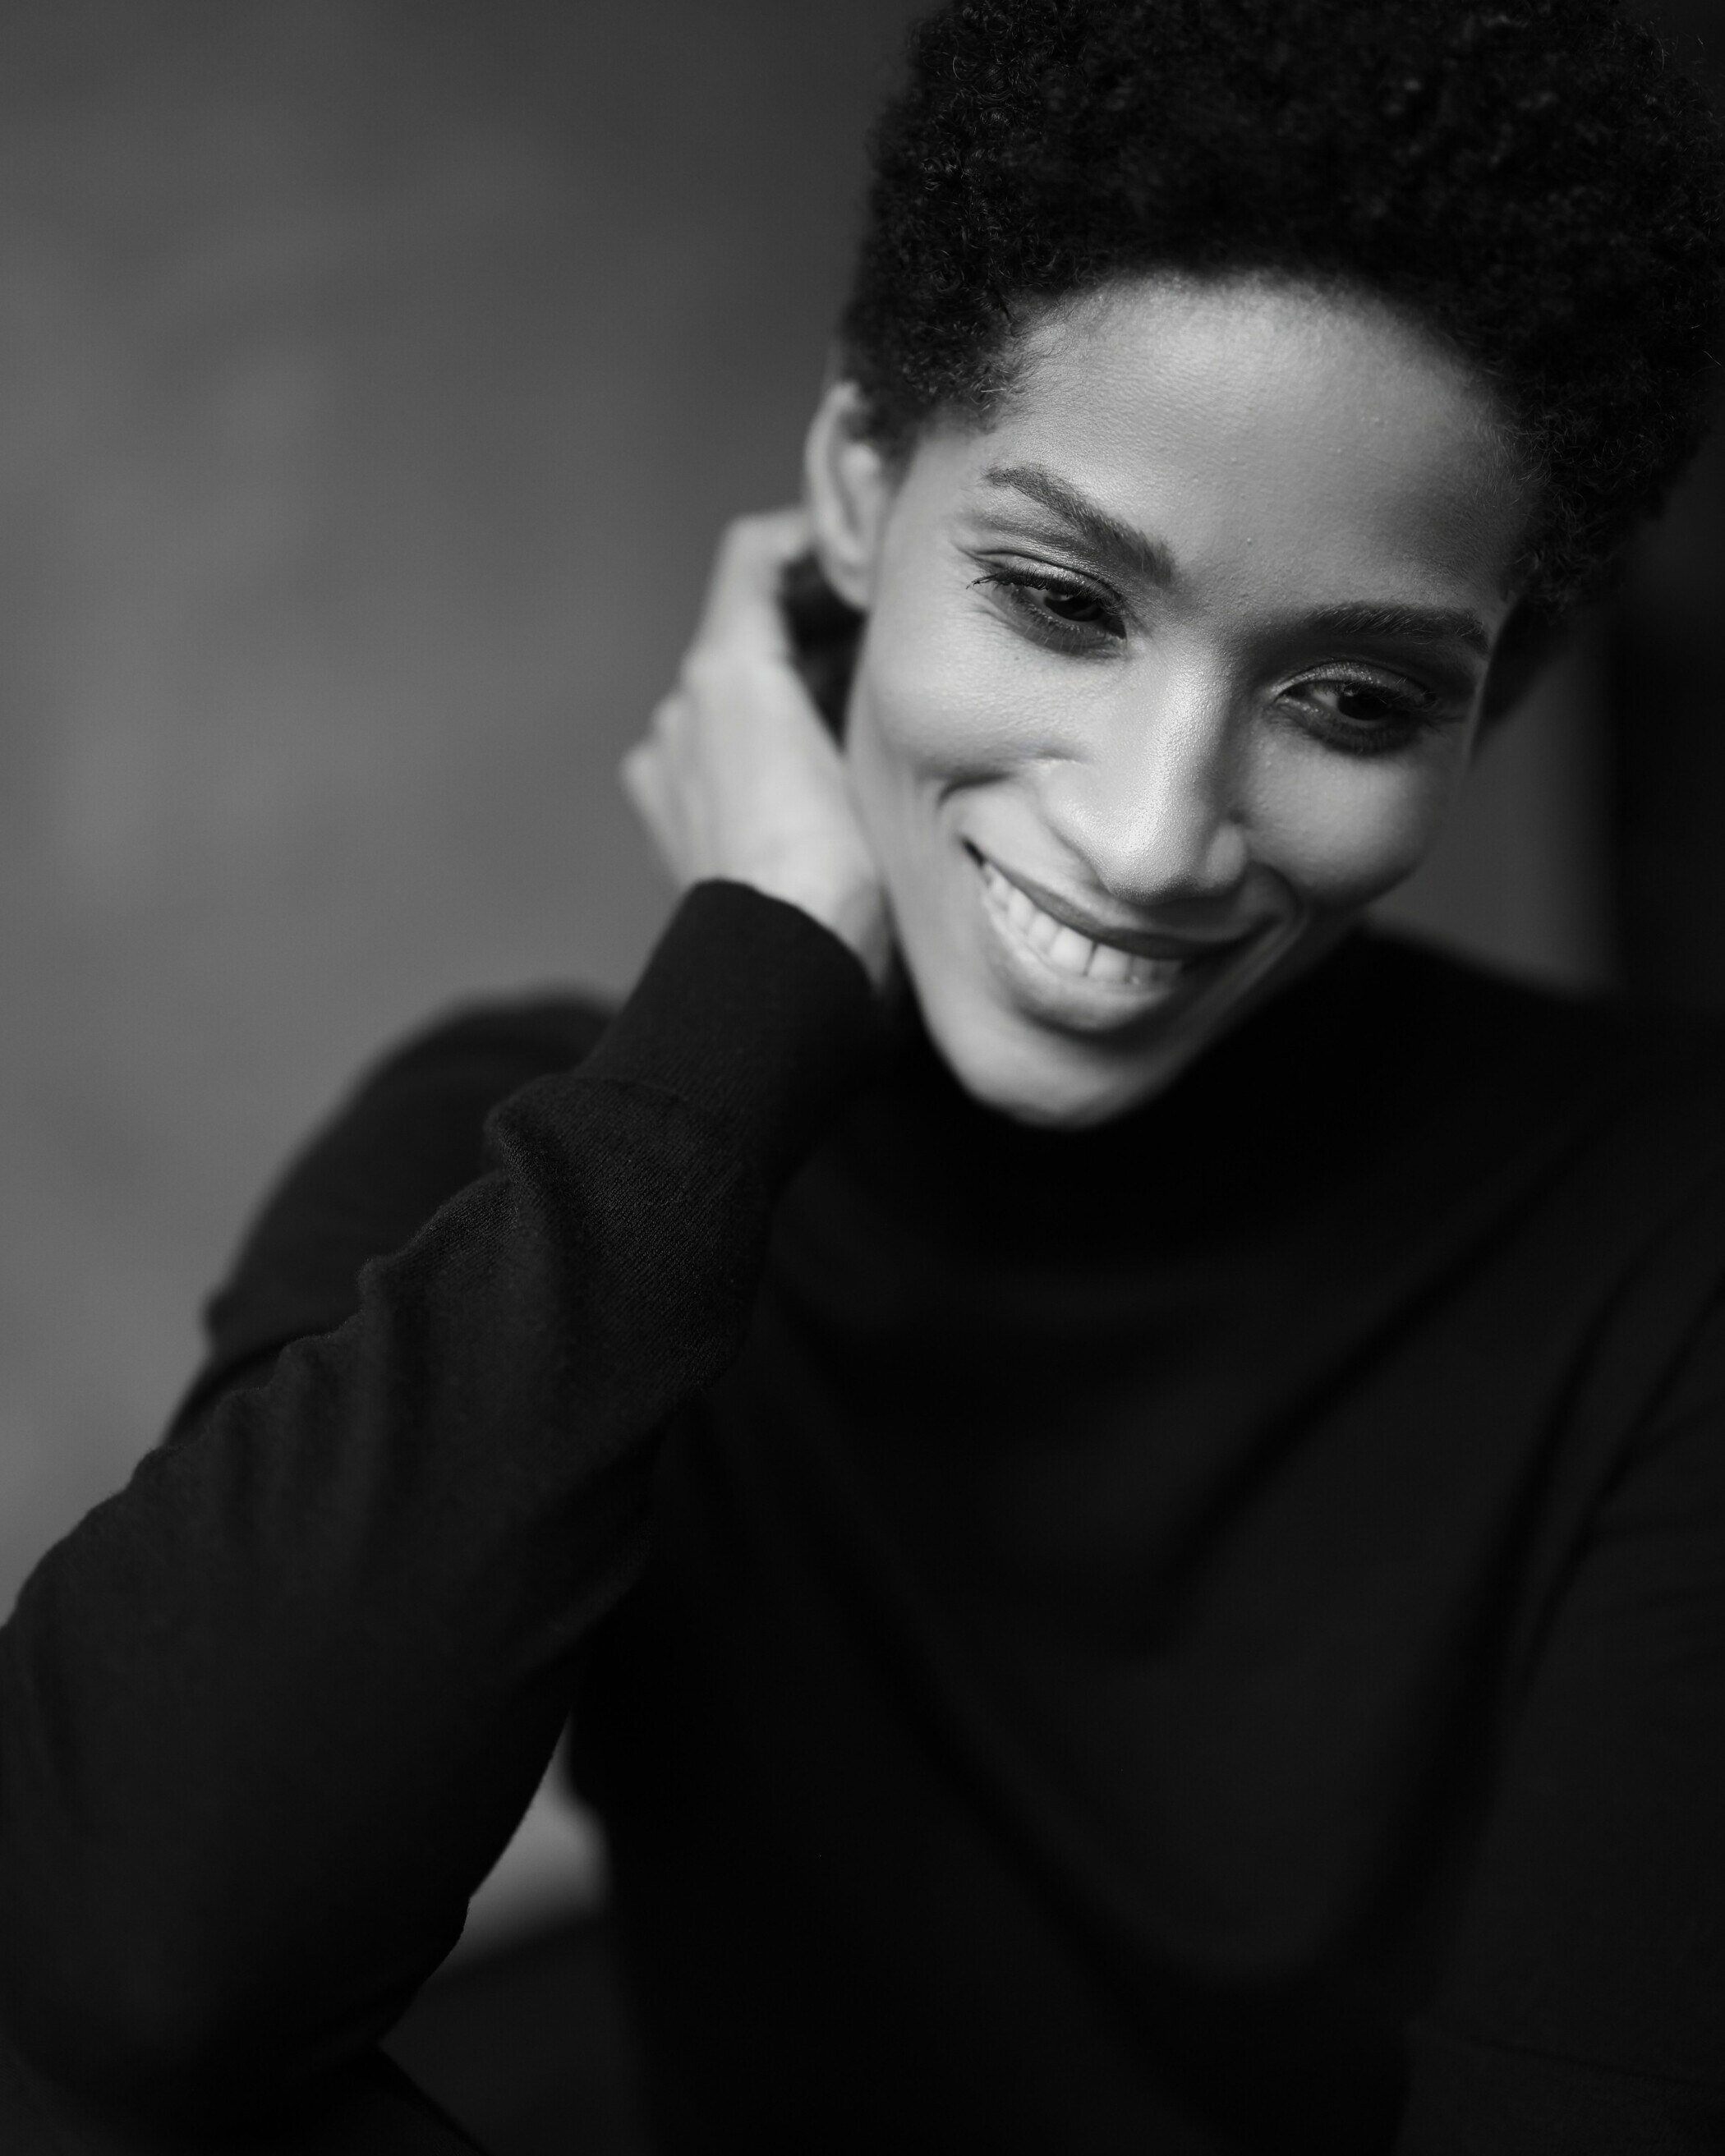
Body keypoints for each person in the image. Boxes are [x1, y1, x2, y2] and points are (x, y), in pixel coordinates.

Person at [2, 0, 1723, 2149]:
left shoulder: (1675, 1243)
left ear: (1499, 698)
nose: (1148, 829)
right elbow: (118, 1977)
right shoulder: (530, 1158)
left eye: (1354, 700)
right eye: (1056, 597)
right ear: (851, 494)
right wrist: (754, 990)